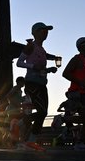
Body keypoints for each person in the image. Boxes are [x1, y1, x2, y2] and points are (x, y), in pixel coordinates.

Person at [16, 22, 60, 151]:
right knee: (41, 111)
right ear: (35, 32)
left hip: (42, 83)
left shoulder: (42, 50)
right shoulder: (31, 46)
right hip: (32, 83)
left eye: (46, 31)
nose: (45, 33)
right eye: (43, 30)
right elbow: (19, 62)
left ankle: (24, 130)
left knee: (43, 112)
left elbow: (41, 68)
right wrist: (33, 67)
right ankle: (28, 137)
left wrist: (49, 70)